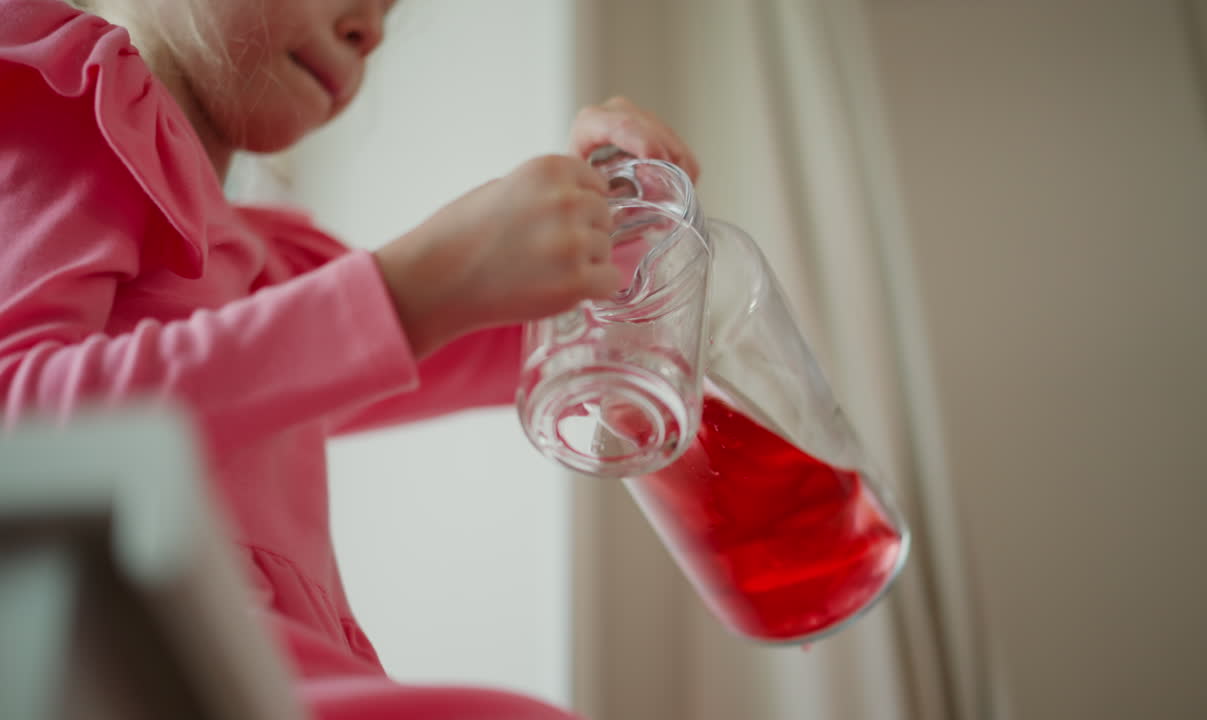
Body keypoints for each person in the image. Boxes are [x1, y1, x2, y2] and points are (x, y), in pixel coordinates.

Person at [0, 0, 701, 717]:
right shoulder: (74, 92)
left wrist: (623, 198)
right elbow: (16, 430)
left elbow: (540, 342)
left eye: (390, 9)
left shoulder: (269, 265)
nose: (371, 29)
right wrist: (410, 291)